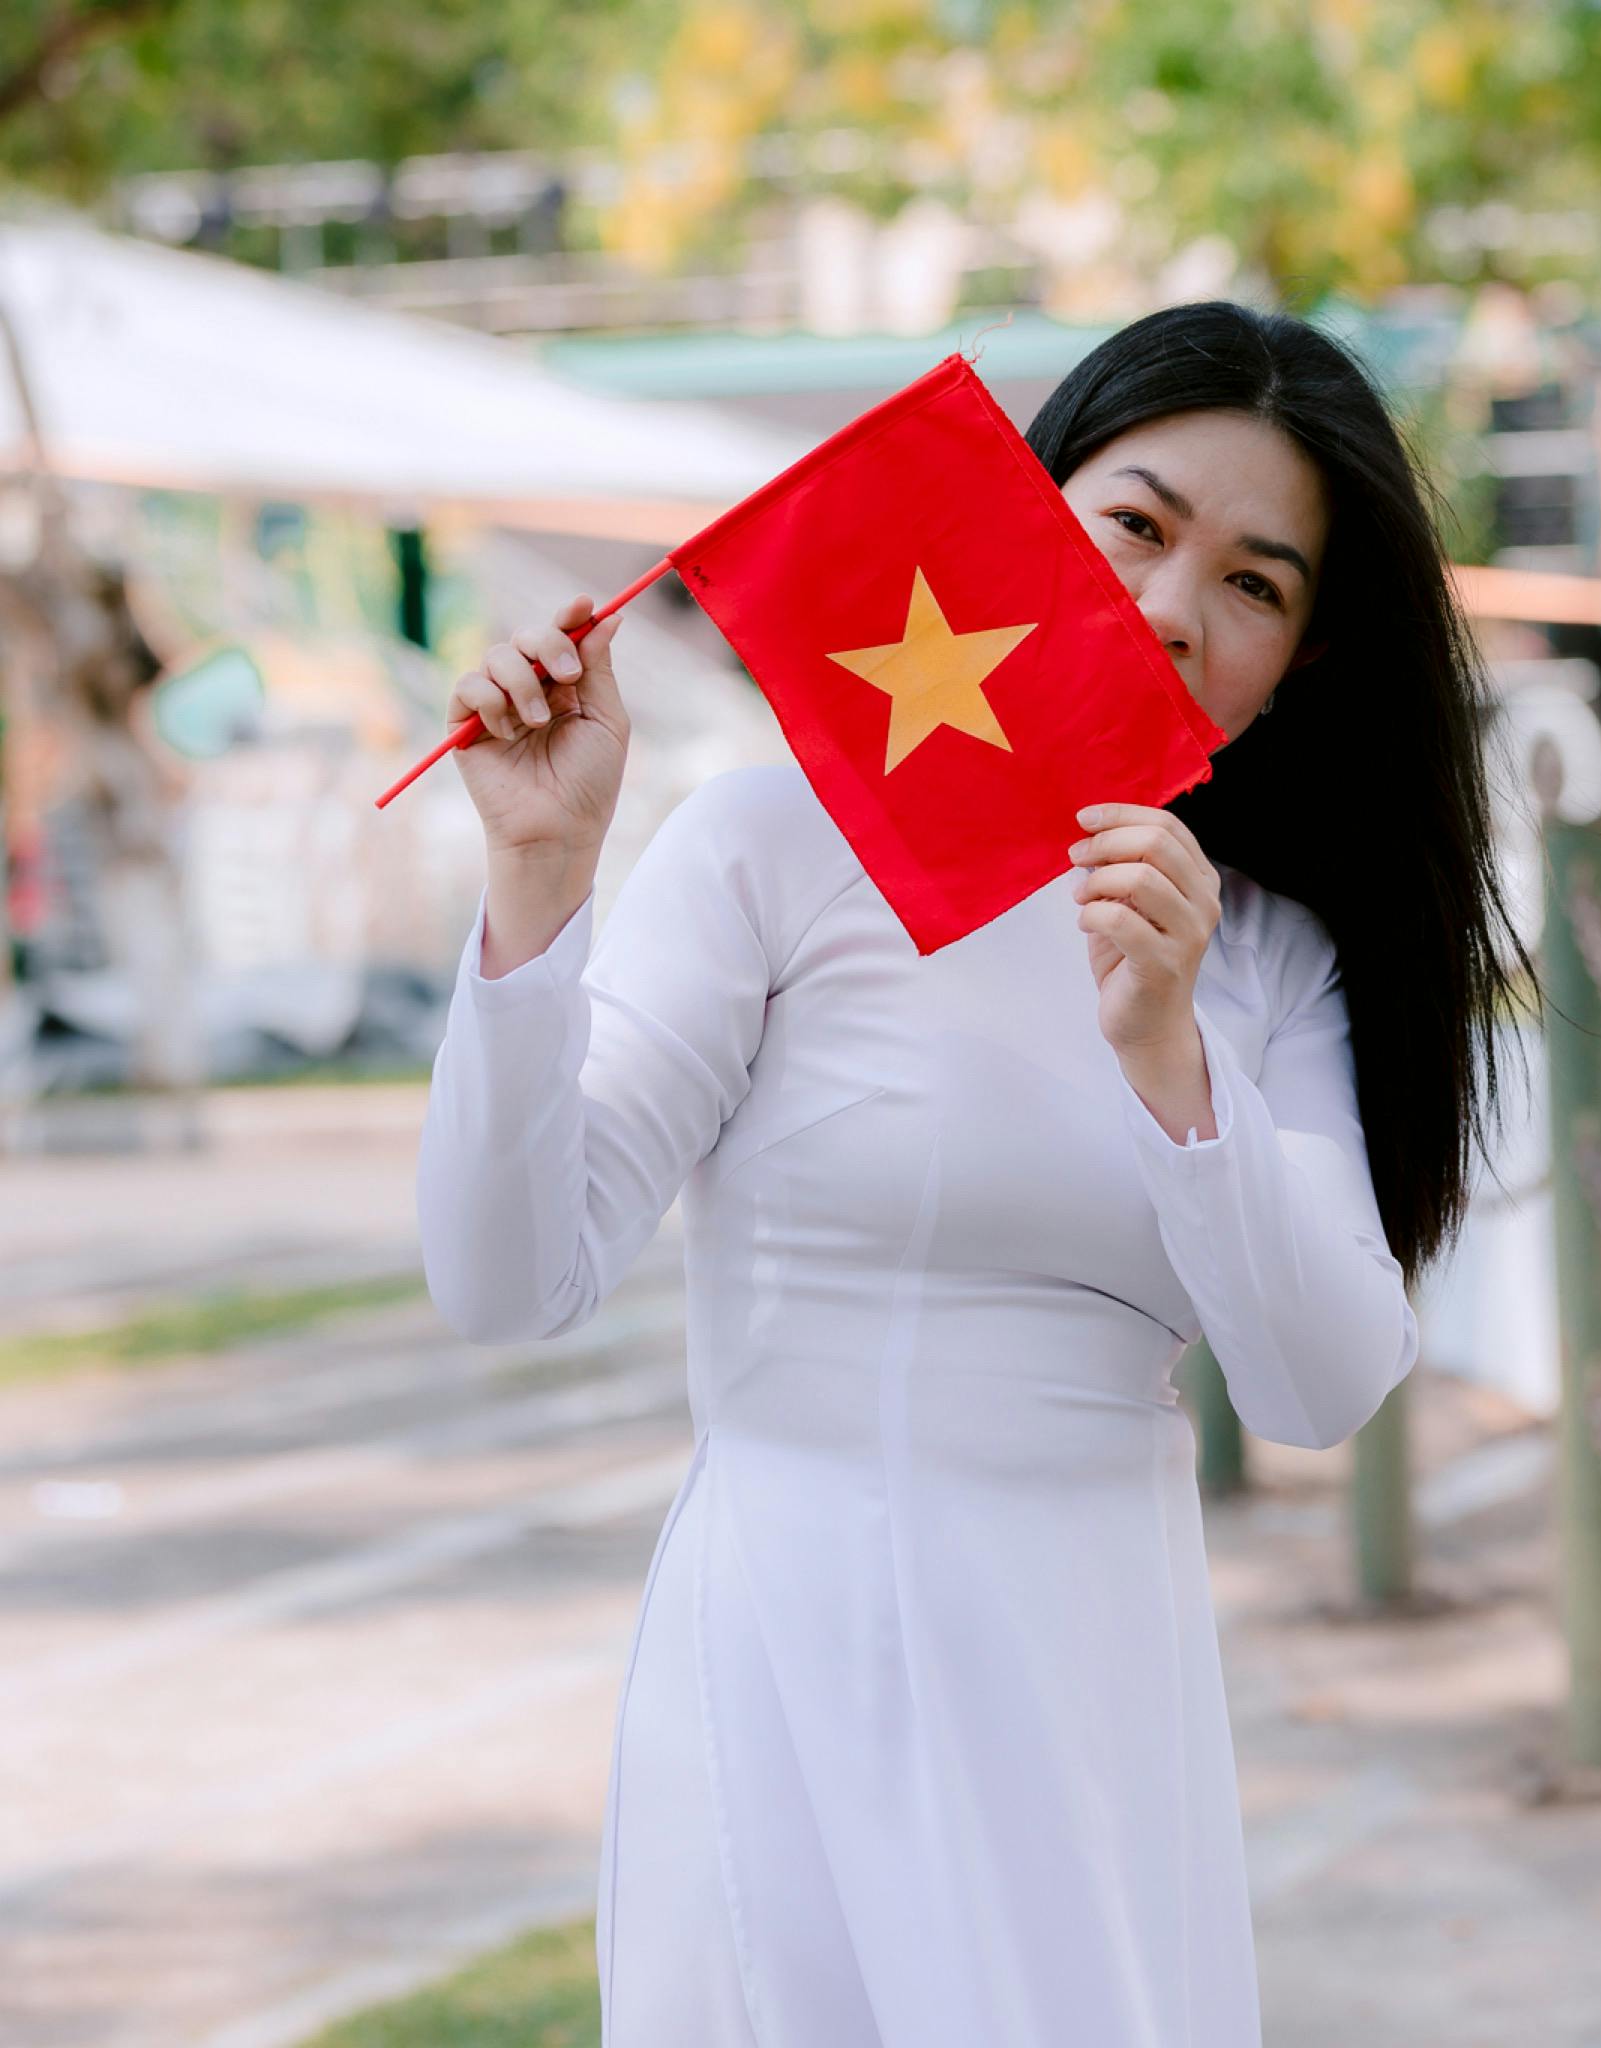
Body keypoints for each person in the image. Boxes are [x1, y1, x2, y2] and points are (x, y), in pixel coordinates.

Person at [414, 301, 1517, 2044]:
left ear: (1301, 656)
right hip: (783, 1639)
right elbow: (505, 1276)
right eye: (1137, 526)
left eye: (1255, 582)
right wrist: (541, 882)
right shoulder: (777, 843)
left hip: (1083, 1676)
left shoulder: (1265, 956)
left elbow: (1323, 1380)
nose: (1171, 606)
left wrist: (1172, 1044)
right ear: (1023, 514)